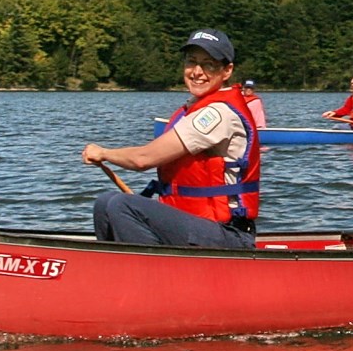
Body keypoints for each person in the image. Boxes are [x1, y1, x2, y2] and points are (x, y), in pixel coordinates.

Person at [82, 28, 262, 248]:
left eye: (209, 64)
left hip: (228, 234)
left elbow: (143, 159)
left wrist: (102, 153)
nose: (197, 71)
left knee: (122, 205)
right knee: (104, 203)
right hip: (196, 225)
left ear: (227, 71)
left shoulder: (218, 113)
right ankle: (117, 268)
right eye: (191, 62)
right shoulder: (193, 107)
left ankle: (150, 273)